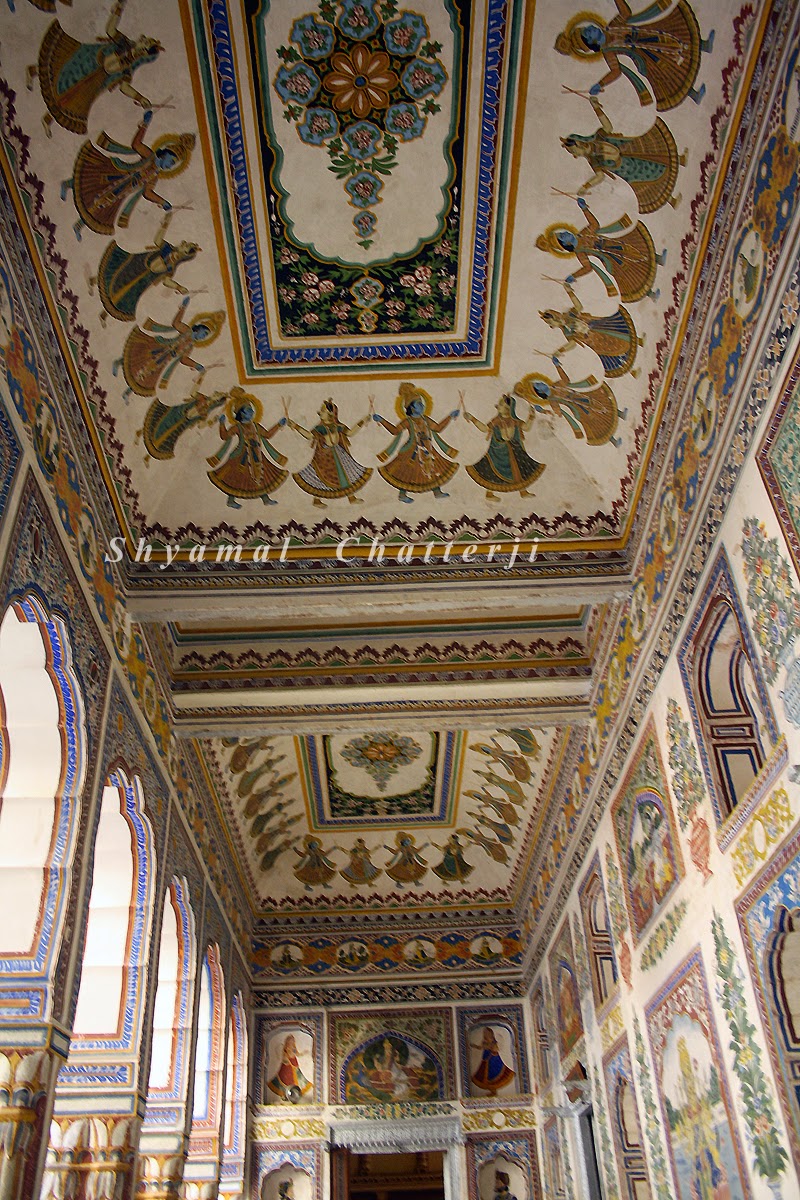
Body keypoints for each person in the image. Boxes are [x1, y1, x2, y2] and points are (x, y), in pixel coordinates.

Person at [555, 1, 714, 112]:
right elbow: (616, 71)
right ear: (591, 43)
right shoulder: (608, 51)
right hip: (646, 56)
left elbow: (625, 13)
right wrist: (600, 84)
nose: (591, 28)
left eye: (588, 28)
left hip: (651, 33)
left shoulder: (612, 26)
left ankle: (704, 45)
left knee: (676, 33)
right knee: (669, 75)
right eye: (588, 33)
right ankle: (693, 94)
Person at [28, 8, 162, 136]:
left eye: (145, 43)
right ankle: (33, 70)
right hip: (90, 61)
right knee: (64, 71)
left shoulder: (129, 66)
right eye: (145, 39)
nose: (142, 40)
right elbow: (110, 30)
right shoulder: (124, 43)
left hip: (95, 80)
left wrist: (140, 98)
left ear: (144, 52)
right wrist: (118, 9)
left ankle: (47, 119)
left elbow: (124, 87)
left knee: (71, 100)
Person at [63, 112, 194, 239]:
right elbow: (136, 144)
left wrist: (162, 202)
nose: (170, 166)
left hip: (121, 192)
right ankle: (68, 189)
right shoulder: (149, 155)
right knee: (92, 182)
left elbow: (147, 193)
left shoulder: (154, 177)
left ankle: (78, 224)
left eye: (173, 165)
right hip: (118, 174)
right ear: (165, 154)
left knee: (101, 204)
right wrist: (145, 124)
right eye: (171, 162)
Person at [562, 95, 683, 214]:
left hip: (631, 148)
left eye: (573, 151)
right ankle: (671, 200)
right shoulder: (593, 160)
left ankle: (680, 159)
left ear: (579, 143)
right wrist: (586, 186)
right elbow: (600, 176)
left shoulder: (596, 138)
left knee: (653, 152)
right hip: (628, 169)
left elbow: (608, 127)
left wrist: (596, 108)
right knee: (648, 182)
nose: (575, 155)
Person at [536, 200, 663, 304]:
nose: (565, 233)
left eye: (562, 233)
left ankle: (658, 258)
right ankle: (650, 293)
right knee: (631, 274)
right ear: (565, 245)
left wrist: (584, 209)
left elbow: (594, 225)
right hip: (610, 259)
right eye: (562, 237)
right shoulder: (580, 252)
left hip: (614, 243)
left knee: (635, 247)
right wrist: (573, 276)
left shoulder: (583, 233)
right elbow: (587, 267)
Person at [91, 213, 198, 323]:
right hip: (137, 265)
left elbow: (166, 281)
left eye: (185, 246)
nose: (183, 243)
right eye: (185, 244)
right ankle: (94, 280)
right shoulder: (168, 248)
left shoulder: (172, 267)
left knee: (124, 297)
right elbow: (157, 240)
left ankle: (104, 313)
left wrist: (178, 287)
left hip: (142, 281)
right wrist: (165, 224)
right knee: (118, 276)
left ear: (185, 254)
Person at [115, 300, 224, 399]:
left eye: (205, 336)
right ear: (199, 328)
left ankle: (128, 392)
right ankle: (119, 362)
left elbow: (183, 359)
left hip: (165, 360)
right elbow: (176, 323)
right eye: (204, 333)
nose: (203, 337)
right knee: (140, 357)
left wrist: (196, 365)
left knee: (148, 374)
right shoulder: (187, 330)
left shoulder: (191, 346)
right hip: (161, 347)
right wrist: (183, 307)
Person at [373, 383, 459, 502]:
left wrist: (450, 416)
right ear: (411, 407)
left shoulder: (426, 419)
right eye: (419, 404)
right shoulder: (408, 421)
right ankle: (402, 494)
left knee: (433, 468)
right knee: (407, 472)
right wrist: (382, 420)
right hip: (411, 450)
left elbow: (438, 428)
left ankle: (437, 491)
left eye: (422, 403)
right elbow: (395, 431)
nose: (422, 406)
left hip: (427, 449)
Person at [515, 357, 625, 448]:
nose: (541, 384)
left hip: (581, 396)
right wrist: (543, 410)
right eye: (538, 387)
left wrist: (558, 366)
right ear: (539, 393)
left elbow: (565, 380)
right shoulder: (552, 401)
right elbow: (558, 413)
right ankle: (613, 440)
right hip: (577, 409)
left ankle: (620, 413)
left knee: (601, 399)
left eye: (539, 383)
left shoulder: (556, 385)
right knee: (594, 420)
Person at [206, 389, 288, 509]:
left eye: (252, 409)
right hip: (240, 456)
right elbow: (224, 436)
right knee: (236, 478)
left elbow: (267, 435)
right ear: (241, 413)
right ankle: (231, 500)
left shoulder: (256, 426)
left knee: (261, 475)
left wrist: (279, 425)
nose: (252, 412)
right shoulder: (237, 427)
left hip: (257, 455)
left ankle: (265, 499)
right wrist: (222, 424)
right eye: (249, 410)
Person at [540, 282, 641, 378]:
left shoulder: (569, 315)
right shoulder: (566, 331)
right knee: (611, 354)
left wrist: (569, 292)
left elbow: (579, 306)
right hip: (594, 342)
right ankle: (632, 371)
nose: (552, 326)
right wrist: (560, 351)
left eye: (551, 323)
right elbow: (573, 343)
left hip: (597, 327)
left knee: (617, 333)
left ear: (555, 318)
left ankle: (639, 341)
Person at [288, 398, 372, 506]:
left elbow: (350, 433)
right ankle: (316, 500)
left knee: (345, 474)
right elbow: (309, 435)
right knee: (319, 476)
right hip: (323, 455)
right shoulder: (320, 428)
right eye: (321, 411)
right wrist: (295, 426)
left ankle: (351, 498)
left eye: (323, 411)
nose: (320, 413)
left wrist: (363, 421)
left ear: (331, 413)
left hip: (338, 453)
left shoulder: (338, 426)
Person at [464, 394, 544, 499]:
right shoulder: (496, 420)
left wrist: (531, 417)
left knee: (518, 471)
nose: (498, 406)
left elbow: (526, 428)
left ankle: (523, 492)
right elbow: (485, 429)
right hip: (498, 451)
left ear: (508, 408)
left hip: (514, 449)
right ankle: (489, 494)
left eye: (501, 405)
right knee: (492, 470)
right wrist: (472, 418)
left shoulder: (515, 421)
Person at [470, 1026, 516, 1093]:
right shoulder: (484, 1042)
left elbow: (496, 1049)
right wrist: (474, 1046)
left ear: (491, 1035)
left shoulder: (494, 1042)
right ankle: (492, 1091)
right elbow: (480, 1047)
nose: (486, 1036)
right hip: (485, 1061)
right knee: (485, 1077)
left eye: (487, 1034)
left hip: (494, 1061)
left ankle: (494, 1091)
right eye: (485, 1034)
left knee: (494, 1075)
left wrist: (491, 1047)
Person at [268, 1035, 312, 1103]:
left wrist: (304, 1053)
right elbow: (284, 1058)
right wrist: (286, 1060)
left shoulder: (293, 1049)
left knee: (297, 1080)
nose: (292, 1042)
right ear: (287, 1042)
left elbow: (298, 1054)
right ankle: (285, 1095)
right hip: (287, 1067)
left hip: (294, 1066)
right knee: (286, 1080)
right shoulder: (286, 1049)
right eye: (290, 1041)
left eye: (293, 1041)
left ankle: (294, 1093)